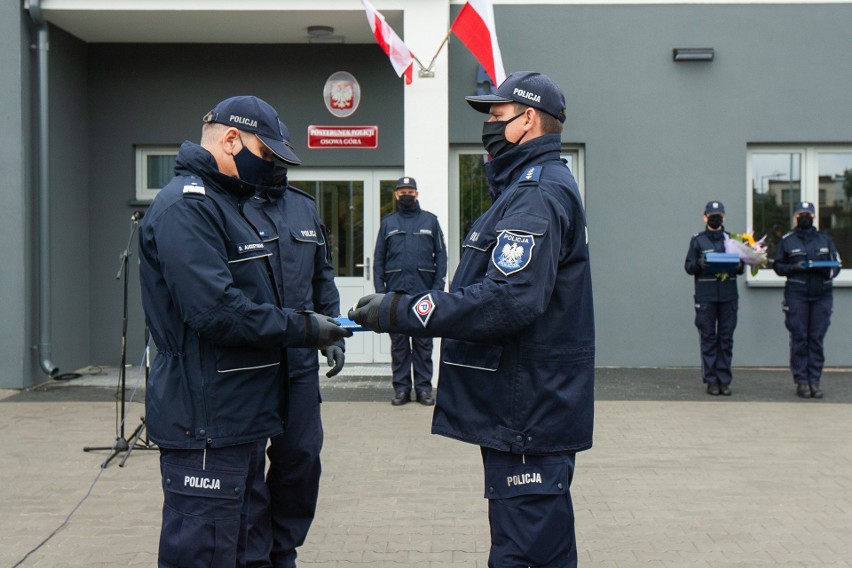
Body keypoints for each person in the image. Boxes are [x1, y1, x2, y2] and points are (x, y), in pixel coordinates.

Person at [349, 71, 594, 567]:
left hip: (528, 409)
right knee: (537, 548)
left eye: (497, 115)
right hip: (527, 405)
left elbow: (510, 299)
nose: (488, 125)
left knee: (525, 553)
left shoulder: (537, 193)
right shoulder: (526, 188)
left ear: (527, 120)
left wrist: (404, 309)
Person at [138, 95, 351, 568]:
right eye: (266, 153)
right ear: (231, 138)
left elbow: (315, 278)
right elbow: (217, 311)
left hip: (241, 406)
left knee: (250, 537)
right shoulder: (187, 207)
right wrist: (305, 328)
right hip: (207, 413)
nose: (269, 165)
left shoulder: (225, 204)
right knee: (208, 547)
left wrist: (323, 325)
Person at [242, 122, 344, 567]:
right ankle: (253, 553)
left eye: (283, 154)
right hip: (249, 364)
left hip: (299, 364)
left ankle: (284, 548)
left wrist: (335, 333)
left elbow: (323, 277)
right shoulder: (231, 207)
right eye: (270, 154)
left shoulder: (304, 208)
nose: (278, 162)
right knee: (245, 468)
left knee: (301, 458)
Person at [373, 176, 447, 406]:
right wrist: (381, 294)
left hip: (424, 293)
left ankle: (424, 389)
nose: (406, 195)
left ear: (417, 194)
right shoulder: (388, 223)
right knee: (399, 344)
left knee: (424, 344)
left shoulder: (431, 221)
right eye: (402, 191)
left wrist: (437, 290)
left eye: (410, 191)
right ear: (396, 195)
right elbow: (378, 261)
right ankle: (402, 390)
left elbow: (442, 258)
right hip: (396, 295)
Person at [773, 201, 841, 399]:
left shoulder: (825, 239)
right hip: (797, 294)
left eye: (808, 214)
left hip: (822, 294)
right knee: (800, 337)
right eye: (801, 213)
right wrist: (794, 268)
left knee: (816, 338)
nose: (804, 217)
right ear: (795, 217)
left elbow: (836, 265)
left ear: (814, 216)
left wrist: (826, 270)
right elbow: (778, 266)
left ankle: (815, 381)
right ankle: (802, 381)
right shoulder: (787, 240)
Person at [683, 201, 744, 396]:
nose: (715, 217)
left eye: (718, 214)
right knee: (708, 338)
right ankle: (711, 381)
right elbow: (688, 267)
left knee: (726, 339)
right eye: (712, 214)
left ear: (724, 217)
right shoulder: (698, 241)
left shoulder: (733, 240)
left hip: (728, 296)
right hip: (706, 296)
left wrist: (738, 266)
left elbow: (742, 266)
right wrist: (700, 263)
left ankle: (724, 381)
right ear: (705, 217)